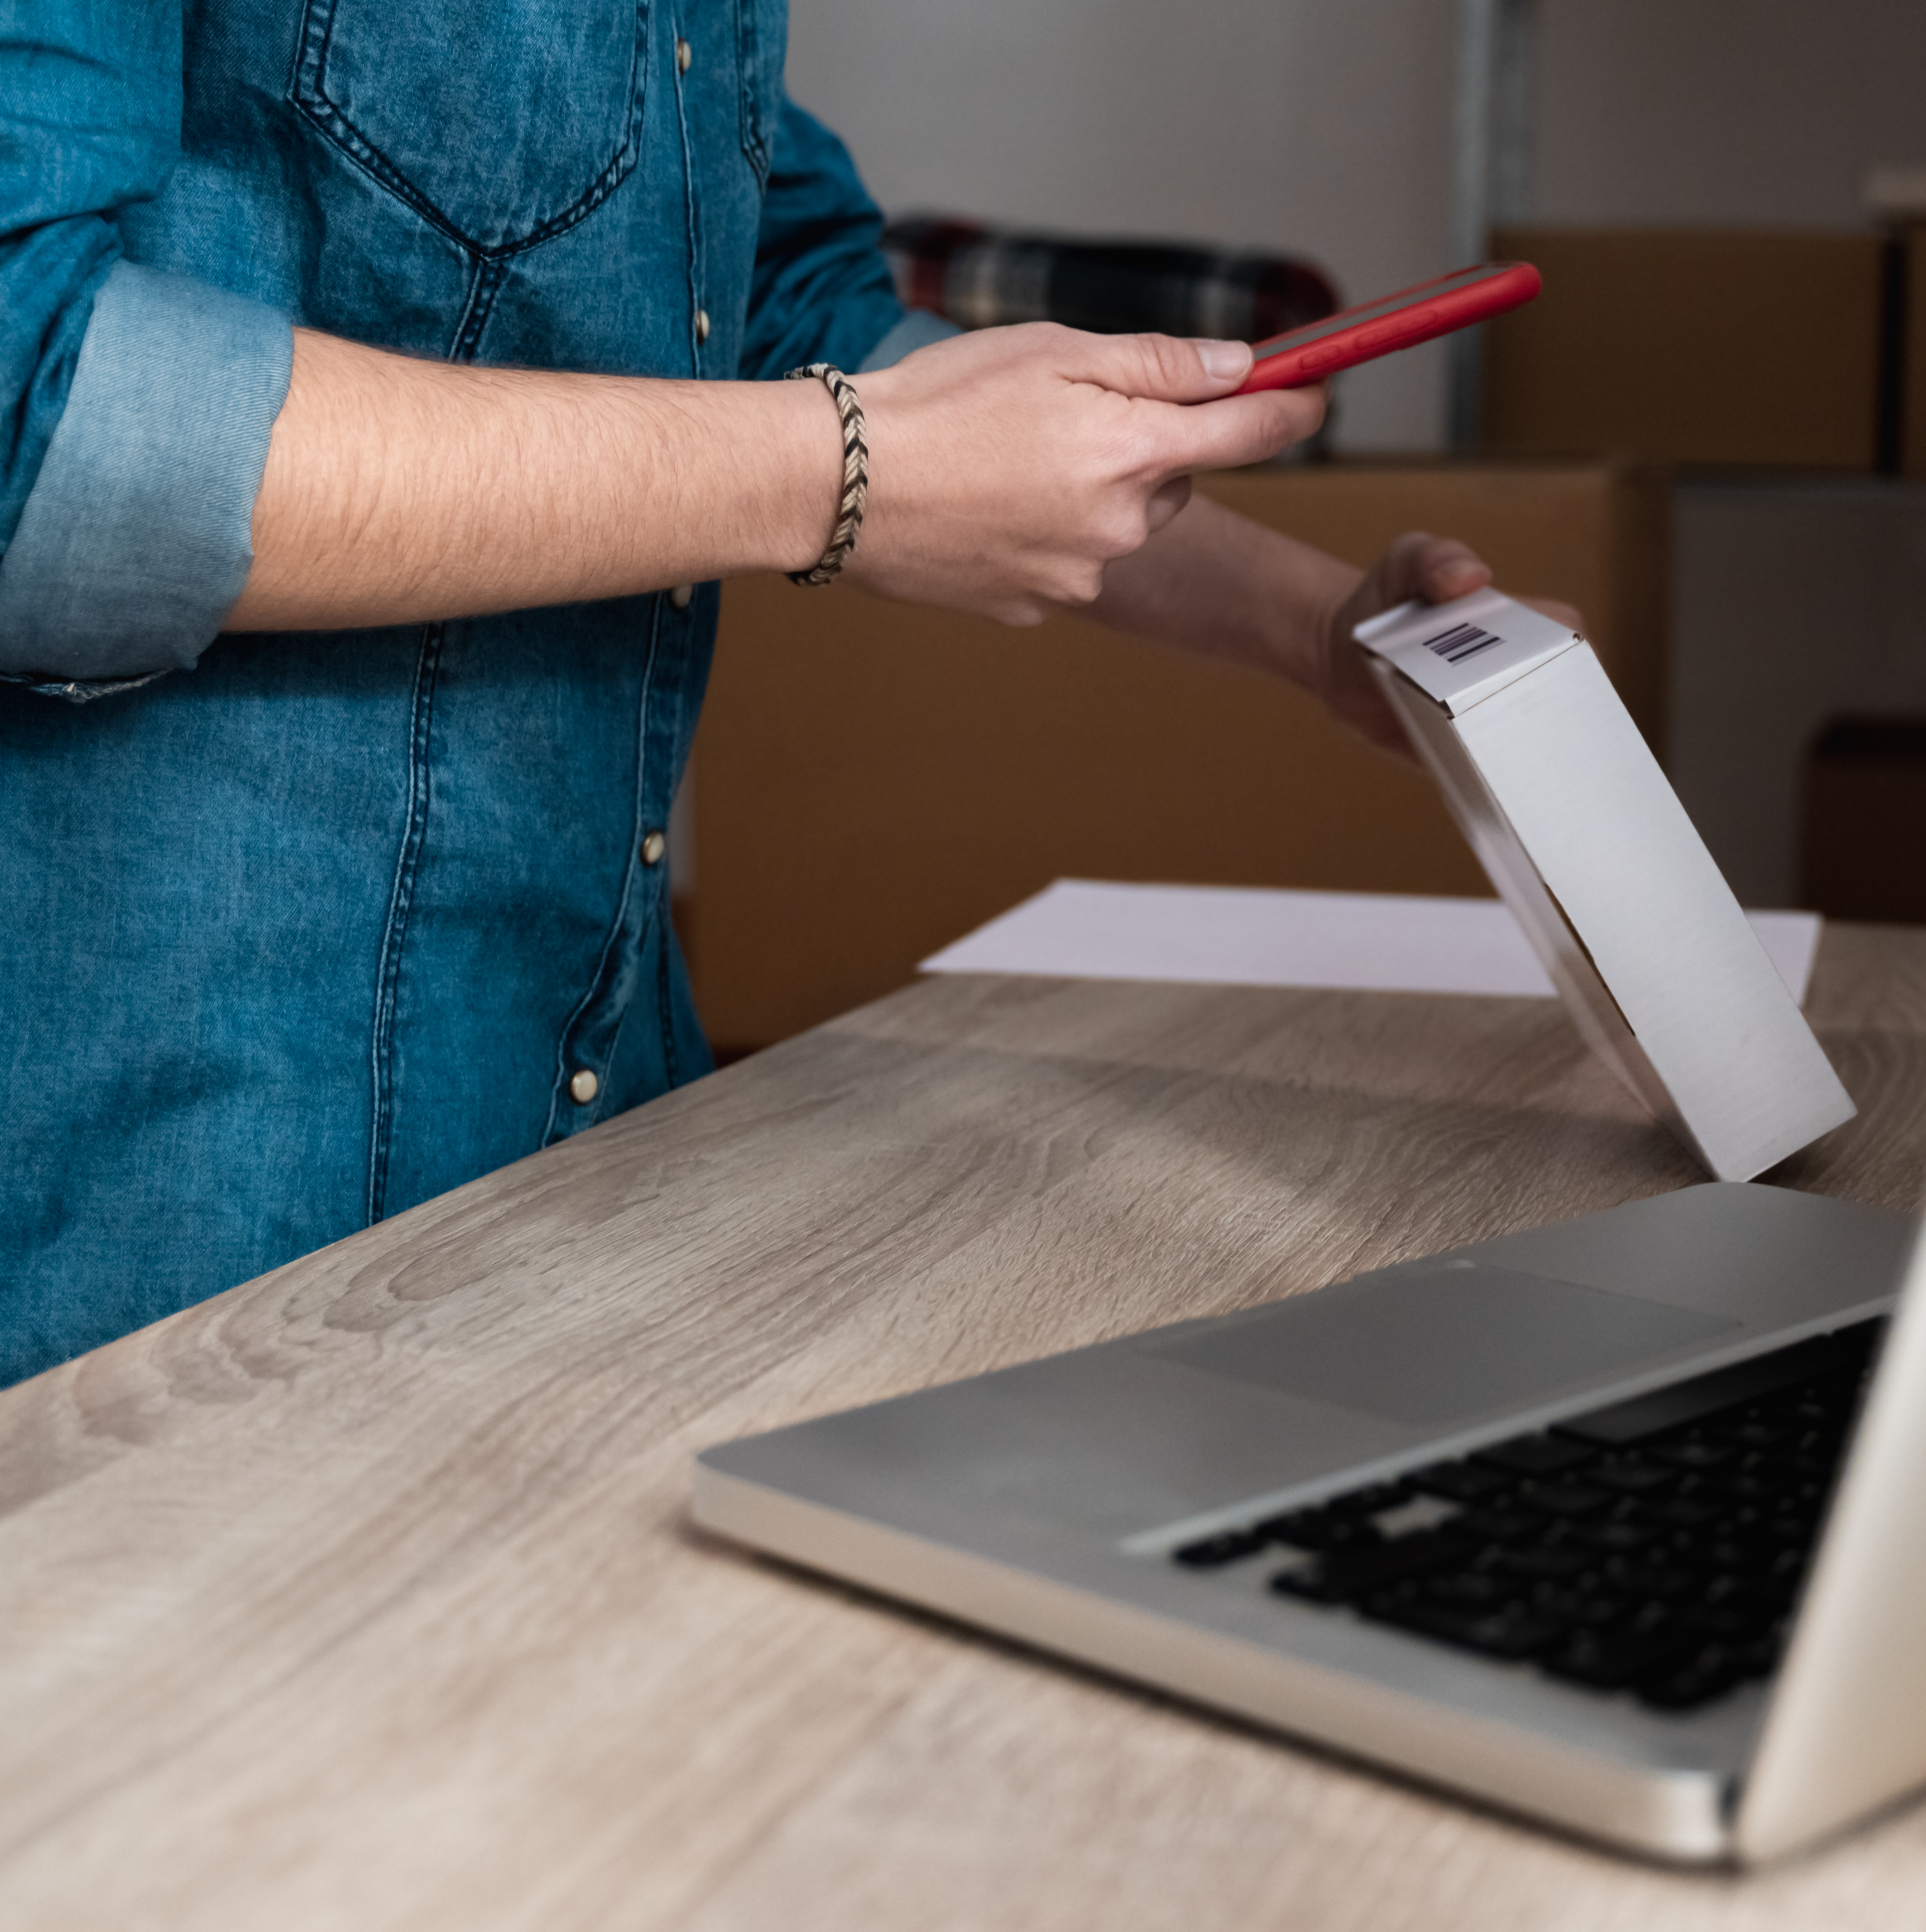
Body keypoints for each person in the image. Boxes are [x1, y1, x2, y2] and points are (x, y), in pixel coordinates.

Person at [0, 3, 1547, 1384]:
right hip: (156, 1215)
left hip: (591, 1121)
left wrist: (1319, 624)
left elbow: (787, 314)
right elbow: (35, 423)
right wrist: (844, 472)